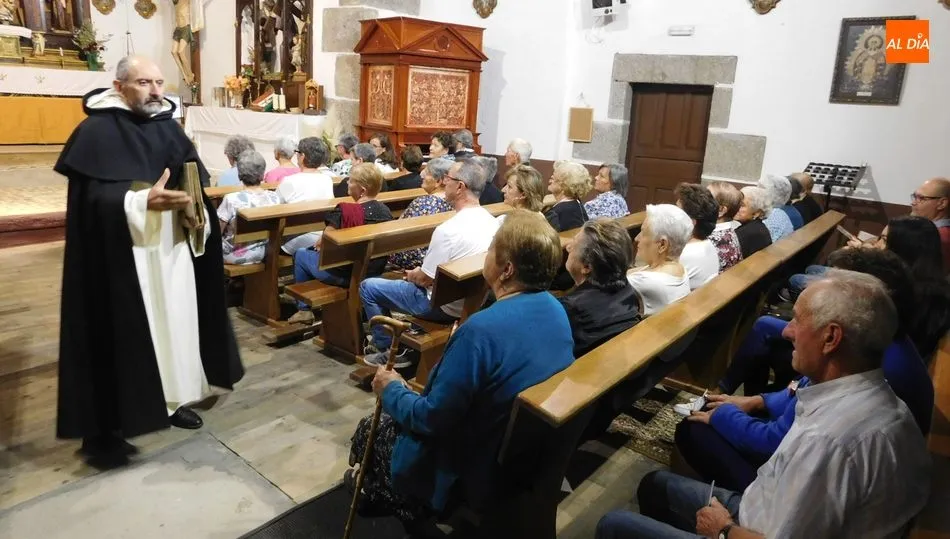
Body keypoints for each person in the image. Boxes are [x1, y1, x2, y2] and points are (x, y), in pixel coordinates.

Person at [597, 271, 931, 539]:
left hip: (748, 527)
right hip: (762, 506)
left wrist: (723, 529)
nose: (787, 331)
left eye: (798, 320)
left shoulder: (828, 442)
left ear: (830, 338)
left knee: (613, 524)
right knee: (655, 485)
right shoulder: (877, 394)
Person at [55, 56, 243, 466]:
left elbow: (193, 178)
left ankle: (171, 401)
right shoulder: (95, 132)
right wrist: (139, 201)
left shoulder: (167, 128)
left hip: (171, 252)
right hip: (124, 260)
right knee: (125, 334)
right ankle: (114, 422)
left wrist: (195, 205)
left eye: (160, 82)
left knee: (173, 327)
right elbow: (91, 203)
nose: (157, 91)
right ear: (119, 86)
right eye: (145, 82)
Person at [346, 210, 574, 535]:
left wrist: (392, 387)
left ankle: (403, 505)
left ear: (507, 269)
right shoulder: (555, 309)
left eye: (492, 247)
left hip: (468, 465)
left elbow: (431, 418)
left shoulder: (481, 329)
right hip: (522, 450)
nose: (487, 253)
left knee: (371, 429)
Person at [679, 251, 934, 492]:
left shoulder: (875, 369)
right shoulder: (877, 344)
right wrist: (758, 401)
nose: (789, 330)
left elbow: (776, 445)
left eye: (832, 289)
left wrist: (725, 416)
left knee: (692, 429)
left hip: (783, 486)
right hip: (800, 460)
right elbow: (802, 390)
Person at [359, 160, 500, 366]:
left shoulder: (448, 230)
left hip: (441, 305)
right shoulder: (492, 222)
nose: (444, 182)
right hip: (473, 300)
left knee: (368, 287)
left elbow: (425, 279)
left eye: (448, 179)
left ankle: (387, 349)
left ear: (460, 187)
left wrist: (412, 274)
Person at [289, 163, 394, 324]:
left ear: (362, 190)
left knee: (301, 254)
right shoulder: (385, 211)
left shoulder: (345, 211)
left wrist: (321, 241)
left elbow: (326, 243)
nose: (347, 183)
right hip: (372, 271)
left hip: (345, 275)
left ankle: (304, 310)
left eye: (351, 181)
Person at [561, 218, 641, 357]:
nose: (568, 248)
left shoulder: (570, 308)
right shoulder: (627, 290)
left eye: (573, 244)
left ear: (587, 266)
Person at [387, 158, 455, 270]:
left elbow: (400, 228)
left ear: (439, 181)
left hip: (414, 257)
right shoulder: (453, 201)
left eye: (427, 173)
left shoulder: (423, 202)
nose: (421, 176)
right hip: (437, 254)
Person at [626, 204, 692, 316]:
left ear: (662, 244)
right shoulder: (680, 268)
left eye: (643, 232)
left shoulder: (644, 281)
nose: (637, 238)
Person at [218, 150, 282, 264]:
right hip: (264, 251)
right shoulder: (274, 197)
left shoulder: (232, 199)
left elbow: (217, 230)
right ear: (262, 175)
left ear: (240, 174)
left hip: (234, 254)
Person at [675, 183, 720, 289]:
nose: (673, 216)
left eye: (678, 212)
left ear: (691, 222)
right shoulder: (708, 244)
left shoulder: (683, 254)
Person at [910, 177, 950, 269]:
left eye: (921, 198)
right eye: (914, 197)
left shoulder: (938, 237)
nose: (913, 203)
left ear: (942, 203)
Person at [706, 181, 743, 271]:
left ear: (721, 210)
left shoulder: (711, 239)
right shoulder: (728, 231)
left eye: (707, 199)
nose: (700, 202)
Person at [545, 161, 592, 231]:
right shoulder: (577, 205)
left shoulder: (557, 214)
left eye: (553, 178)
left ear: (564, 185)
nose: (550, 179)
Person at [734, 186, 773, 257]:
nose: (736, 207)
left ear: (756, 213)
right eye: (737, 203)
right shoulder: (758, 226)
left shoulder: (746, 233)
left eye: (742, 205)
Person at [757, 174, 794, 242]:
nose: (756, 192)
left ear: (772, 194)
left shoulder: (771, 216)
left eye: (760, 189)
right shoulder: (780, 212)